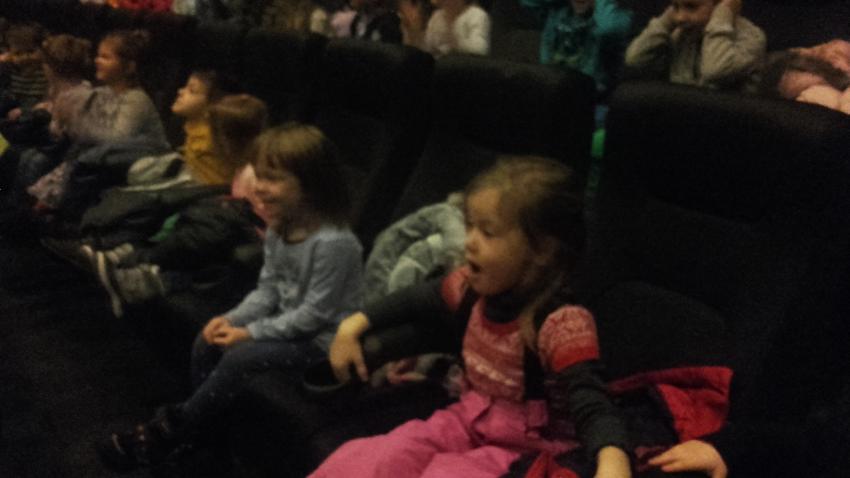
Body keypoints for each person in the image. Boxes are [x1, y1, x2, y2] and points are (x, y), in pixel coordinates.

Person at [311, 156, 631, 477]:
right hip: (467, 418)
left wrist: (613, 461)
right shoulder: (468, 288)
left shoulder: (561, 322)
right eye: (469, 227)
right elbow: (415, 300)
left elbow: (592, 401)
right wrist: (353, 325)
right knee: (375, 458)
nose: (469, 242)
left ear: (541, 250)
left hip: (528, 447)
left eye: (487, 232)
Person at [98, 123, 364, 469]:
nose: (259, 187)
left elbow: (313, 316)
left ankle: (170, 432)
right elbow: (268, 290)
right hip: (287, 326)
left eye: (273, 179)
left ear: (312, 185)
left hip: (321, 343)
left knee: (240, 357)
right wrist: (230, 319)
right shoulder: (280, 229)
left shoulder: (335, 244)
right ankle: (203, 430)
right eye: (259, 176)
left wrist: (250, 333)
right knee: (206, 340)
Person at [88, 94, 270, 317]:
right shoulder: (242, 167)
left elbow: (262, 220)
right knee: (187, 215)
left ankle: (139, 264)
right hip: (234, 233)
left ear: (225, 138)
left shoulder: (253, 174)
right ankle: (132, 262)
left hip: (250, 241)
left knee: (204, 227)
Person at [26, 29, 168, 211]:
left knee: (38, 164)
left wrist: (74, 119)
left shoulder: (136, 100)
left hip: (134, 173)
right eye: (98, 55)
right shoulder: (105, 93)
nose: (96, 60)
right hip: (99, 166)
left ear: (129, 67)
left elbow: (116, 141)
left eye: (105, 57)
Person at [624, 0, 766, 92]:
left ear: (720, 5)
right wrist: (666, 21)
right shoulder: (680, 33)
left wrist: (722, 17)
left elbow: (715, 72)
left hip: (725, 122)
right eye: (675, 7)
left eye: (691, 7)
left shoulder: (751, 37)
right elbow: (635, 59)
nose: (680, 17)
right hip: (681, 115)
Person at [519, 0, 632, 94]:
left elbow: (608, 29)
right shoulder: (556, 12)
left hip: (590, 98)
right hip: (553, 88)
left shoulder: (618, 18)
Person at [416, 0, 490, 56]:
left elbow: (480, 48)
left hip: (462, 66)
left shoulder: (476, 15)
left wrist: (455, 42)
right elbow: (428, 47)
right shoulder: (437, 16)